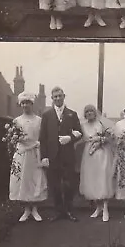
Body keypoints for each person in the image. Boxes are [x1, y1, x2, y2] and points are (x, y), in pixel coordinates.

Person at [39, 87, 83, 222]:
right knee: (55, 184)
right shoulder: (47, 115)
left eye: (59, 96)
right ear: (52, 99)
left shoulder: (72, 114)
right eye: (55, 97)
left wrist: (70, 138)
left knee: (69, 184)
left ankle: (69, 210)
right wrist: (44, 156)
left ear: (64, 96)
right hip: (53, 156)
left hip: (67, 155)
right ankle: (58, 211)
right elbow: (43, 137)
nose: (57, 99)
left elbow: (79, 132)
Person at [9, 92, 48, 222]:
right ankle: (26, 210)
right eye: (23, 103)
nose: (25, 105)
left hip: (35, 153)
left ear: (32, 104)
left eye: (28, 103)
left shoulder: (39, 120)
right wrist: (17, 139)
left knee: (35, 179)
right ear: (21, 105)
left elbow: (42, 138)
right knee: (23, 181)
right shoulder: (16, 121)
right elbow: (13, 139)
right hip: (22, 153)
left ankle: (35, 209)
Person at [79, 105, 114, 222]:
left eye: (91, 111)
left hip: (102, 153)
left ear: (95, 113)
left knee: (102, 178)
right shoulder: (83, 125)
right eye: (87, 112)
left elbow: (109, 137)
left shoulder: (101, 124)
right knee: (92, 179)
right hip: (89, 154)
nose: (89, 113)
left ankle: (105, 208)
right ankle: (98, 207)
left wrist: (101, 140)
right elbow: (82, 138)